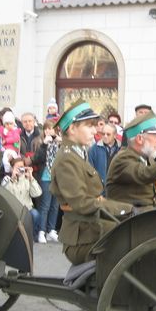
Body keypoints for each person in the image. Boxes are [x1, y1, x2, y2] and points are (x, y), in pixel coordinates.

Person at [49, 99, 133, 265]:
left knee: (134, 231)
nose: (95, 130)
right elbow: (82, 203)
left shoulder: (78, 153)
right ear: (72, 129)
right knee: (131, 238)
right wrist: (124, 210)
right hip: (81, 238)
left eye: (95, 125)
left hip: (89, 229)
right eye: (89, 126)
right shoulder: (67, 158)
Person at [31, 119, 62, 243]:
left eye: (52, 128)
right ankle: (42, 231)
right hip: (45, 177)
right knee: (45, 205)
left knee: (55, 205)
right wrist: (44, 145)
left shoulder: (60, 142)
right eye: (47, 128)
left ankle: (51, 230)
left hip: (57, 177)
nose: (49, 131)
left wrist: (62, 143)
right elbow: (36, 159)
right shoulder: (39, 141)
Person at [1, 156, 42, 243]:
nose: (20, 170)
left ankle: (31, 237)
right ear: (12, 169)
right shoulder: (7, 179)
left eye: (22, 167)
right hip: (13, 210)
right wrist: (12, 179)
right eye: (18, 168)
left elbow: (37, 193)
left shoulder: (27, 179)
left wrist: (31, 178)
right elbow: (4, 193)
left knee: (35, 214)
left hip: (26, 209)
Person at [88, 122, 120, 187]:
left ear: (115, 135)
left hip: (117, 191)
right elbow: (89, 172)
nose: (105, 136)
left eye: (108, 134)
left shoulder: (122, 149)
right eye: (103, 134)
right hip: (100, 190)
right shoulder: (93, 150)